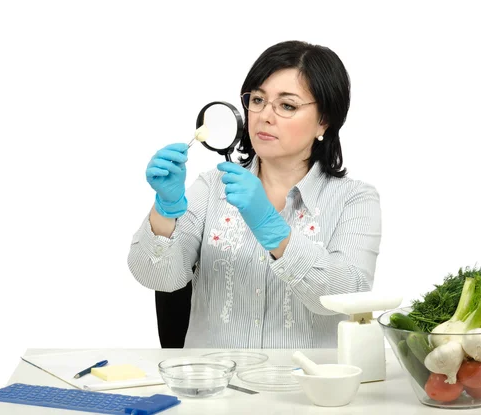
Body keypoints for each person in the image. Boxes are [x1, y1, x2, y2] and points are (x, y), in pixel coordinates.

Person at [128, 40, 382, 349]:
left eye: (287, 105)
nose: (264, 115)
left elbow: (350, 295)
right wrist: (165, 209)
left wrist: (270, 226)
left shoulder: (354, 199)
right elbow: (159, 278)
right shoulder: (211, 187)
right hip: (215, 386)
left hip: (306, 388)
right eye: (258, 100)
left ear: (324, 120)